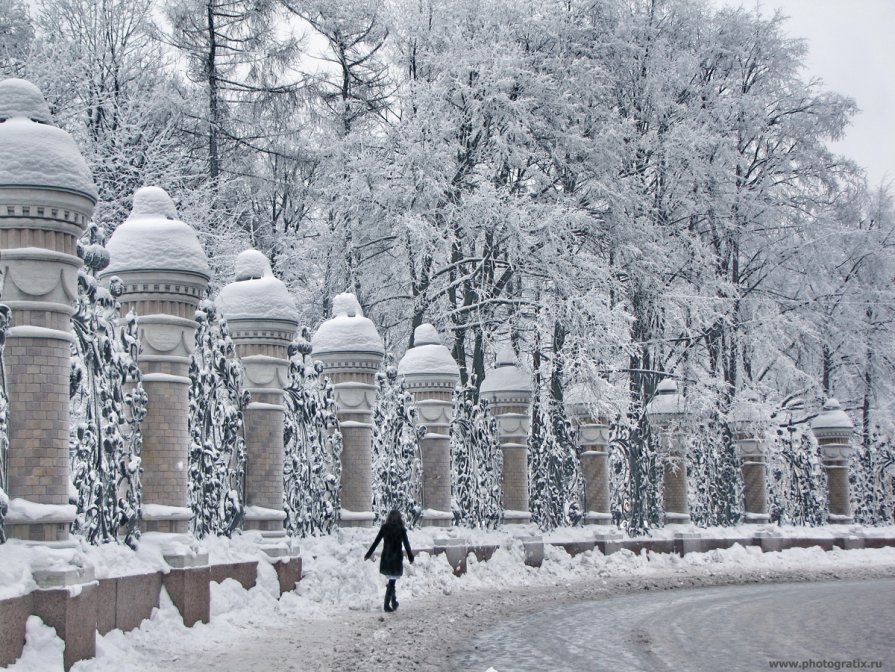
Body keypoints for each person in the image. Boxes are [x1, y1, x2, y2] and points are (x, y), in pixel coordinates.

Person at [364, 509, 414, 612]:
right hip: (396, 559)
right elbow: (407, 545)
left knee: (392, 580)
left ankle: (394, 602)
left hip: (387, 558)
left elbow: (376, 542)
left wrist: (368, 554)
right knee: (392, 581)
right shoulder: (401, 530)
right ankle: (387, 604)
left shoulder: (384, 528)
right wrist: (410, 557)